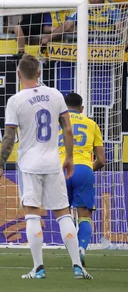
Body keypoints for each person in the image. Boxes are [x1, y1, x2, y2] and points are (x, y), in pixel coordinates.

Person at [0, 55, 92, 280]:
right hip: (52, 162)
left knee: (32, 214)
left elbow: (9, 136)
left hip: (29, 164)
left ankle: (38, 268)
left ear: (19, 75)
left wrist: (0, 167)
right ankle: (78, 266)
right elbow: (67, 129)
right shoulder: (55, 95)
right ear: (39, 73)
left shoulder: (15, 100)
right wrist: (68, 157)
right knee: (63, 213)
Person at [59, 92, 106, 267]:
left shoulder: (57, 122)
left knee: (63, 216)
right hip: (83, 169)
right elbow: (101, 160)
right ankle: (81, 250)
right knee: (84, 216)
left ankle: (72, 252)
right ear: (82, 108)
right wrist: (86, 169)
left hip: (60, 170)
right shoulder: (91, 124)